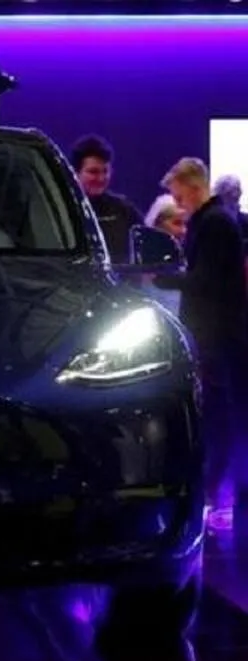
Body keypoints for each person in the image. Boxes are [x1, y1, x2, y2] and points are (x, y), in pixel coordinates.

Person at [155, 157, 248, 517]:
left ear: (195, 188)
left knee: (221, 417)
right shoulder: (214, 221)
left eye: (180, 197)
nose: (178, 205)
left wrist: (166, 278)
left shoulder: (215, 223)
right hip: (215, 335)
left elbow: (206, 281)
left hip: (218, 337)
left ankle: (220, 494)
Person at [69, 135, 143, 264]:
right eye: (93, 172)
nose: (101, 178)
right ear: (75, 172)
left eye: (105, 171)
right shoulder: (62, 209)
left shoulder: (124, 210)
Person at [213, 174, 248, 241]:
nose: (240, 193)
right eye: (236, 189)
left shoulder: (245, 220)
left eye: (239, 189)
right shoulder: (211, 219)